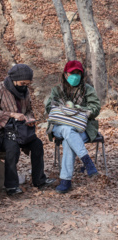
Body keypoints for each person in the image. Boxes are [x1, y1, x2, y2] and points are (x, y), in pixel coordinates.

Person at [0, 64, 55, 196]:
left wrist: (29, 119)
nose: (24, 86)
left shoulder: (25, 90)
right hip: (2, 132)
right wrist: (11, 115)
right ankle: (11, 186)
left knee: (37, 145)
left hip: (21, 130)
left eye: (27, 83)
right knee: (12, 148)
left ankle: (39, 179)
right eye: (22, 83)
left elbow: (29, 110)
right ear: (14, 79)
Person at [45, 60, 101, 193]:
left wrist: (78, 108)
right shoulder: (57, 90)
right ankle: (87, 161)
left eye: (78, 73)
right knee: (67, 129)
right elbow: (49, 108)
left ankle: (66, 181)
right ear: (65, 74)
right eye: (72, 73)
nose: (75, 76)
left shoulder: (88, 89)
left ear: (82, 75)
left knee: (68, 140)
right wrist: (64, 107)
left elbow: (96, 108)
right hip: (60, 126)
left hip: (83, 127)